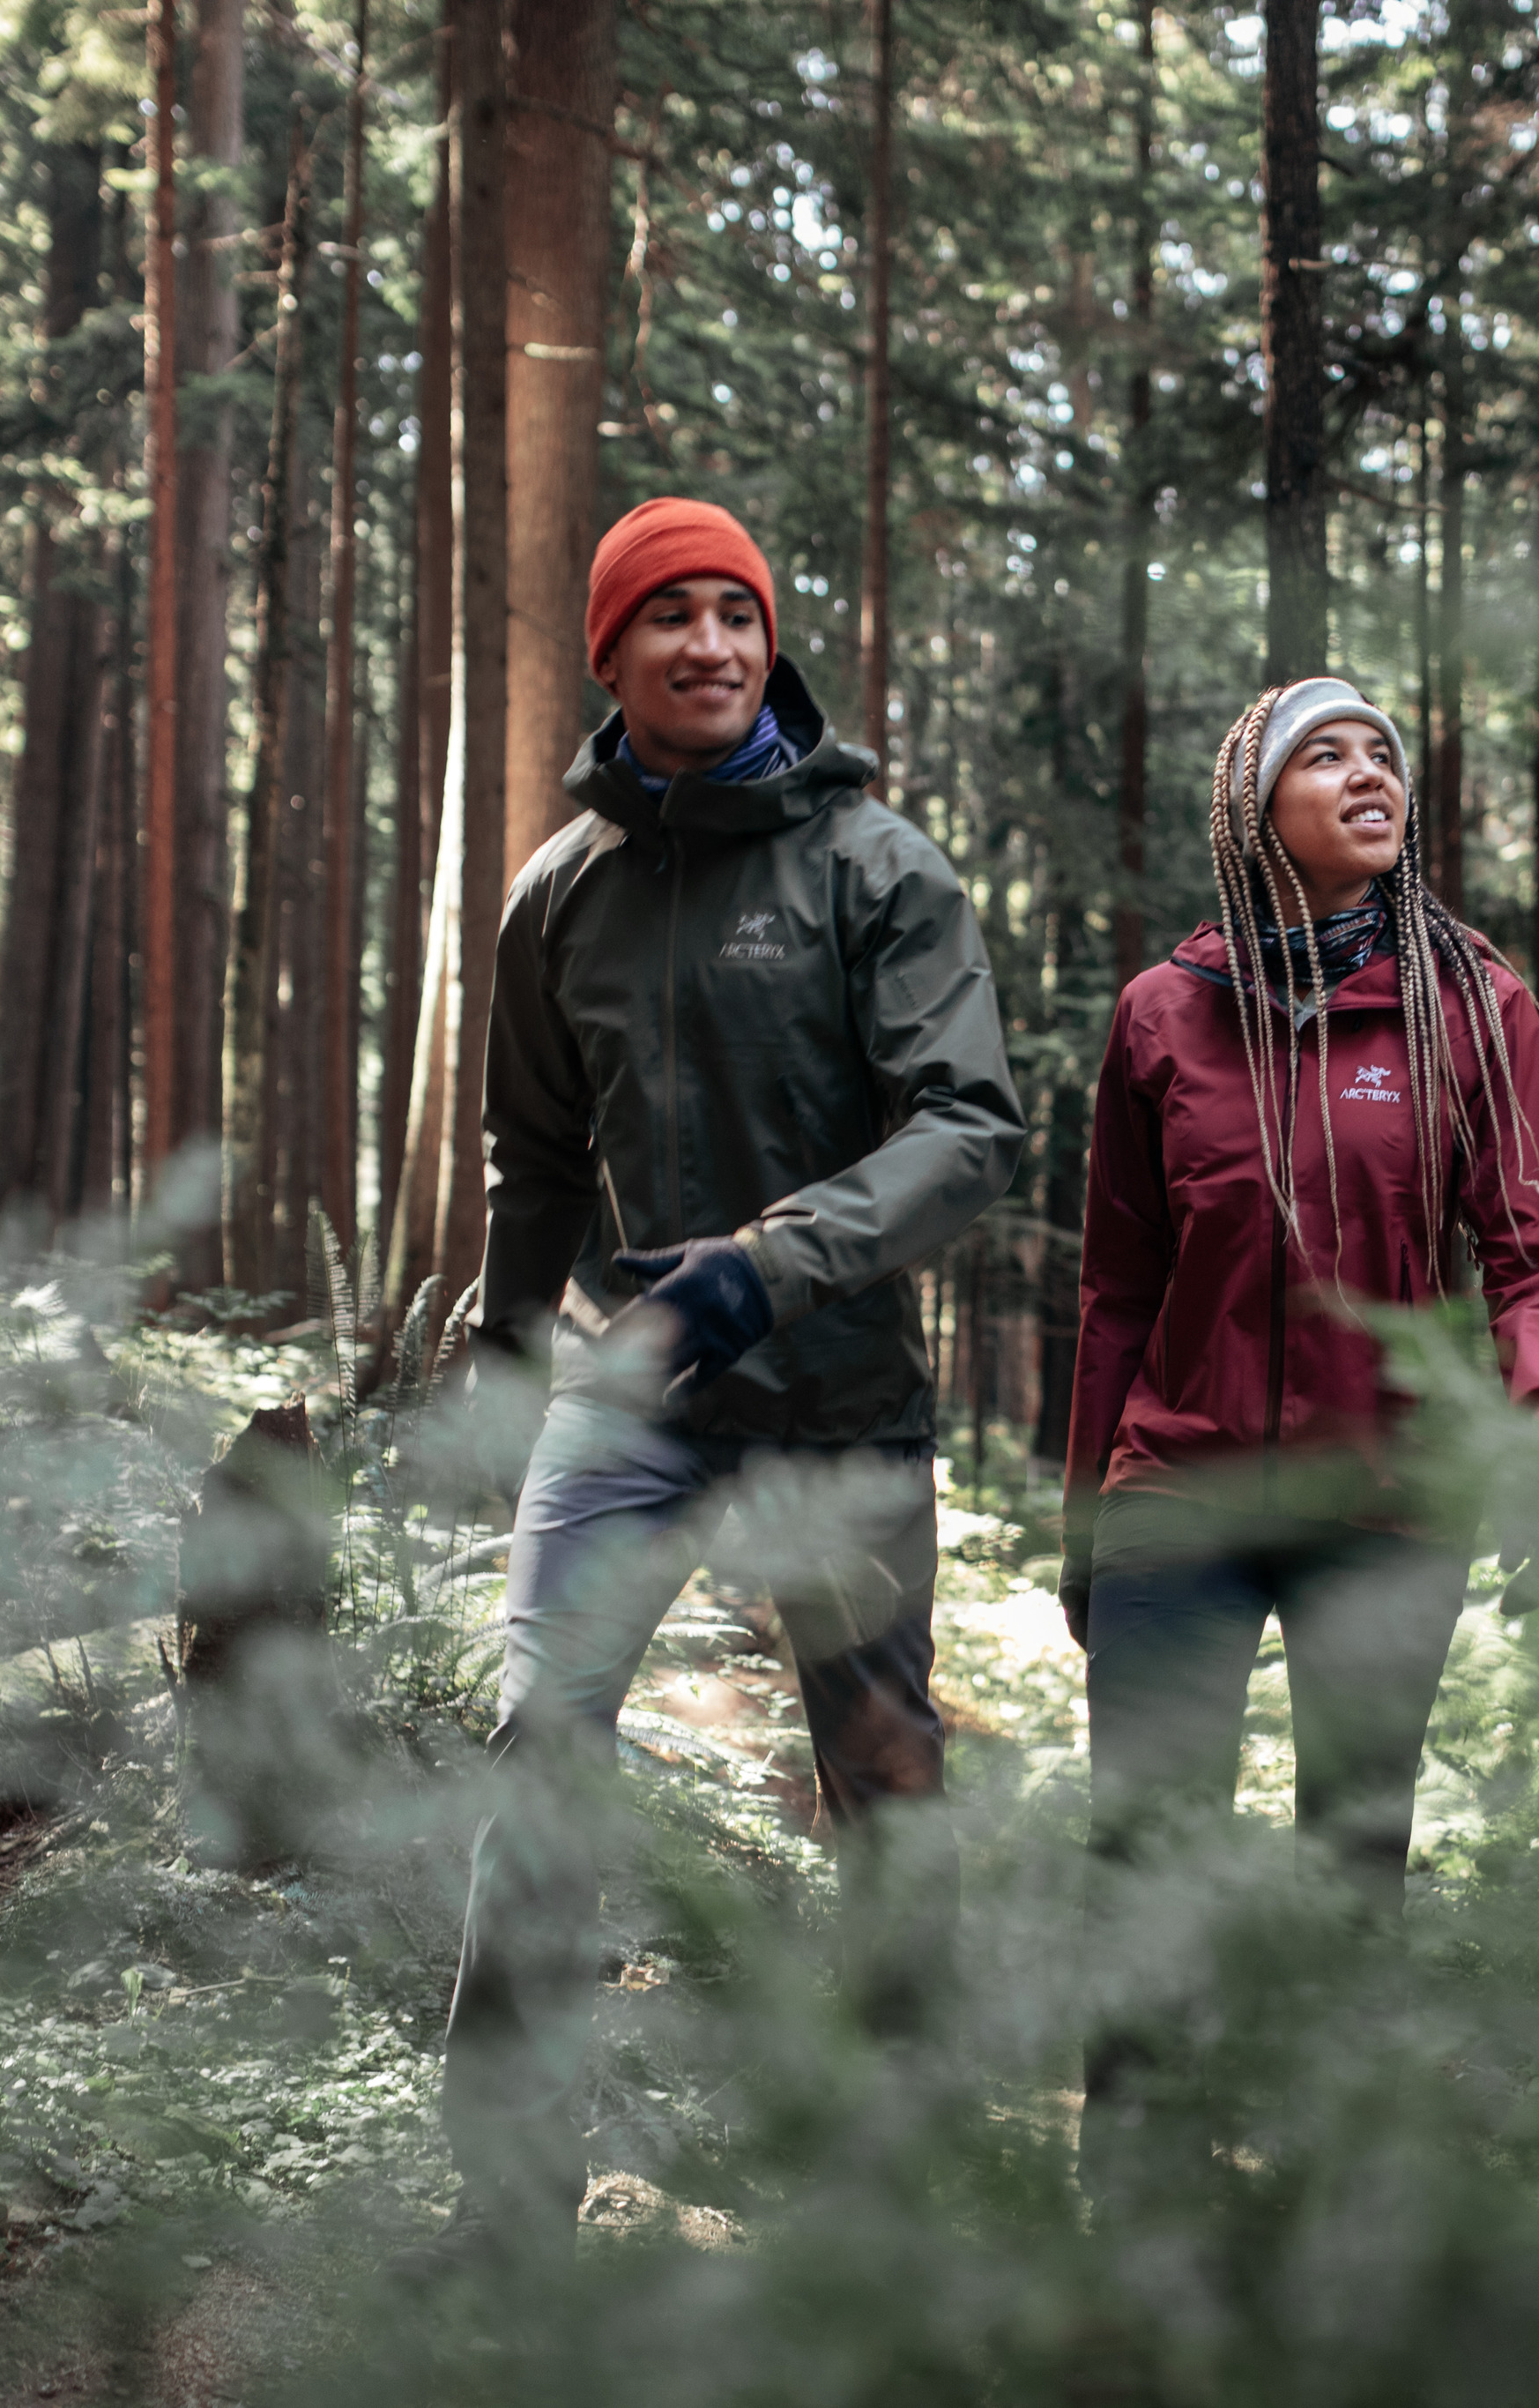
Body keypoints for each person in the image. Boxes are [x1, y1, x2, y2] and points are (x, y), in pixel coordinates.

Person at [431, 496, 1025, 2242]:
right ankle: (504, 2206)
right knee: (537, 1742)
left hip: (837, 1411)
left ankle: (894, 2195)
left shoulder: (873, 867)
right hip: (627, 1410)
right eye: (668, 616)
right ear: (607, 651)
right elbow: (531, 1159)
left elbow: (970, 1128)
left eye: (735, 614)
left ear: (771, 642)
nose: (708, 643)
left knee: (884, 1787)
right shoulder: (563, 894)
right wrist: (497, 1361)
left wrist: (775, 1265)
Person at [1060, 677, 1539, 2165]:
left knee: (1352, 1855)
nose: (1372, 774)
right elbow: (1118, 1287)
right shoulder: (1162, 1016)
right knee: (1149, 1851)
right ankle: (1135, 2199)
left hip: (1387, 1507)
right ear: (1255, 809)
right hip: (1183, 1491)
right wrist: (1082, 1524)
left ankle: (1331, 2195)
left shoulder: (1469, 1006)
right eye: (1328, 754)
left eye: (1384, 755)